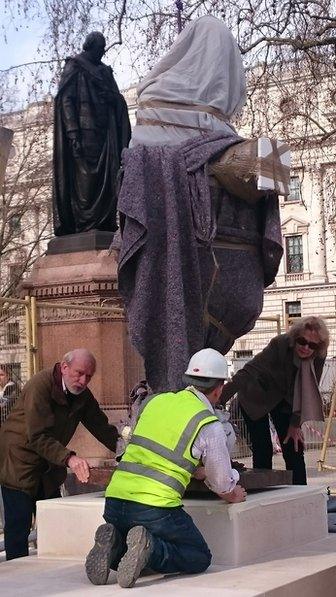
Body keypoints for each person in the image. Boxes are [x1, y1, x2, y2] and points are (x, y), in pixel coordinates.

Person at [117, 15, 283, 393]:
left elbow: (133, 202)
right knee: (204, 378)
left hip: (185, 273)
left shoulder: (154, 103)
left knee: (178, 375)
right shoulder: (230, 133)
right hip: (235, 286)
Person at [85, 348, 246, 588]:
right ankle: (151, 549)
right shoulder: (208, 423)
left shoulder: (155, 402)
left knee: (133, 549)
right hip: (155, 509)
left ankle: (115, 546)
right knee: (198, 557)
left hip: (115, 502)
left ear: (189, 379)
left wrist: (195, 470)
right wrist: (234, 493)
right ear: (219, 387)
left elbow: (159, 450)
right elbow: (222, 482)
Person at [0, 348, 119, 560]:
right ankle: (18, 579)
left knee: (51, 522)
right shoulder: (41, 384)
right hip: (20, 459)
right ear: (64, 367)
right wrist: (70, 458)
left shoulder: (82, 394)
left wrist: (126, 450)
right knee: (19, 524)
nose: (83, 381)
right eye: (79, 373)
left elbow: (101, 427)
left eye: (89, 376)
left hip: (49, 461)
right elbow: (36, 436)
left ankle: (46, 568)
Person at [220, 316, 329, 485]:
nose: (306, 348)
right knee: (263, 449)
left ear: (318, 347)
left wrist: (295, 424)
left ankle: (299, 494)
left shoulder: (318, 357)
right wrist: (218, 398)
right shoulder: (280, 344)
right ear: (295, 338)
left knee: (294, 447)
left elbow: (307, 391)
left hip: (286, 400)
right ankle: (263, 491)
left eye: (312, 345)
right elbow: (251, 369)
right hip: (257, 395)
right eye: (302, 341)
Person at [53, 31, 131, 235]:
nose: (103, 52)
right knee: (85, 182)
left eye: (104, 48)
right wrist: (72, 132)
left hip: (106, 136)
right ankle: (83, 223)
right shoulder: (74, 66)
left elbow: (118, 99)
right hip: (83, 133)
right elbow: (66, 101)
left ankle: (104, 222)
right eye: (100, 48)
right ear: (90, 47)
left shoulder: (105, 71)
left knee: (109, 177)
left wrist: (113, 98)